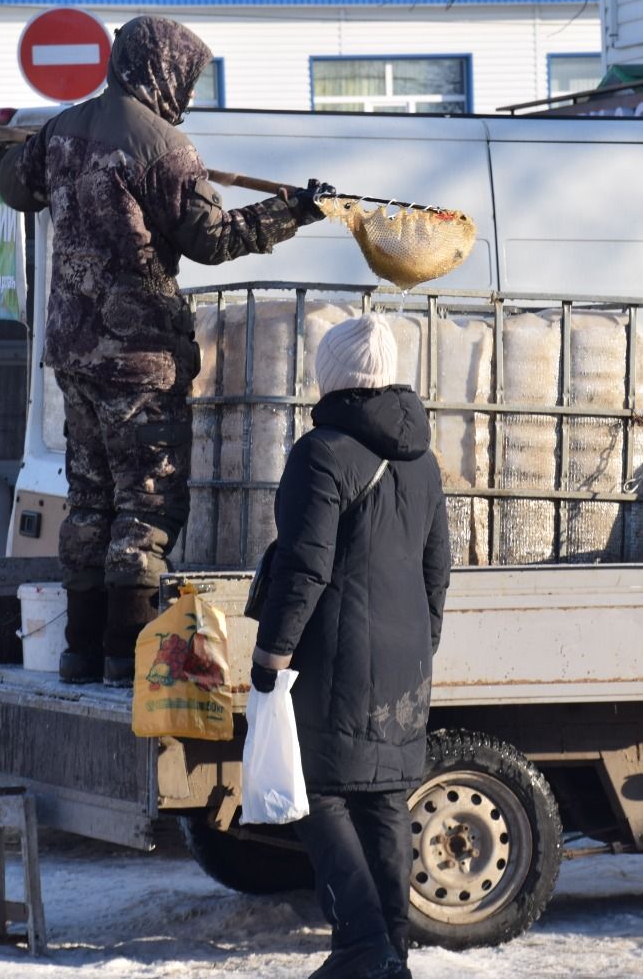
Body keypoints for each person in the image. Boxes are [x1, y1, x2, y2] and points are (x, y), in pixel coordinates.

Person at [0, 14, 332, 686]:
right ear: (161, 68)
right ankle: (125, 656)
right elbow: (210, 241)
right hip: (139, 357)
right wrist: (292, 212)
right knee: (145, 506)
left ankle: (78, 652)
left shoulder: (64, 129)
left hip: (73, 353)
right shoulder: (166, 146)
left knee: (89, 502)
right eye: (187, 75)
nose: (187, 88)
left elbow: (12, 185)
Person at [251, 315, 451, 979]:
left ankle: (365, 948)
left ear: (332, 375)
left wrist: (271, 656)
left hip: (336, 653)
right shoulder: (421, 460)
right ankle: (391, 951)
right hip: (405, 657)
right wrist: (426, 643)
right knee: (384, 797)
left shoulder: (323, 451)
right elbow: (437, 567)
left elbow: (303, 568)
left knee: (317, 791)